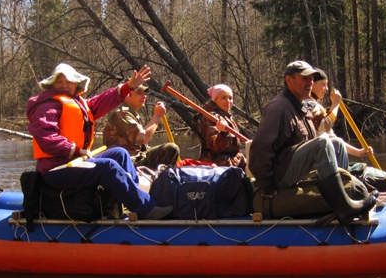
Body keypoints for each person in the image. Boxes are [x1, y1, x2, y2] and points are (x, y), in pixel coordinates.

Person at [26, 62, 173, 220]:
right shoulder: (47, 106)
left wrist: (128, 86)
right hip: (56, 170)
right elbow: (46, 137)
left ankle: (130, 201)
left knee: (120, 154)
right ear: (52, 85)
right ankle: (146, 209)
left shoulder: (78, 103)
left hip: (75, 162)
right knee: (107, 167)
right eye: (59, 82)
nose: (63, 86)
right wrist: (76, 150)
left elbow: (102, 101)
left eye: (68, 82)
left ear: (76, 84)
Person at [248, 60, 377, 225]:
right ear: (289, 80)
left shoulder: (302, 106)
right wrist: (265, 184)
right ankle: (343, 207)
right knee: (322, 143)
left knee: (335, 143)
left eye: (311, 79)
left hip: (292, 165)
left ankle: (346, 193)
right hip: (279, 174)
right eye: (304, 79)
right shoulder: (279, 108)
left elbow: (315, 134)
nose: (310, 83)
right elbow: (260, 149)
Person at [309, 68, 386, 192]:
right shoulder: (311, 105)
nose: (326, 89)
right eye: (323, 84)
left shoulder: (317, 106)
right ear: (312, 85)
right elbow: (326, 127)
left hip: (327, 159)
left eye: (327, 84)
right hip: (320, 163)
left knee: (382, 178)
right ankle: (346, 191)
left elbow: (331, 136)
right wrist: (336, 104)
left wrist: (359, 152)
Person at [102, 84, 181, 170]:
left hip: (137, 156)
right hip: (126, 162)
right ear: (127, 96)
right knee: (171, 149)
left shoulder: (131, 114)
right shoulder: (122, 115)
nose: (144, 96)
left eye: (145, 93)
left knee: (169, 150)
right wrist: (157, 115)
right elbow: (143, 139)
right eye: (139, 93)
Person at [192, 84, 247, 170]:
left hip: (233, 160)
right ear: (215, 99)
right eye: (223, 98)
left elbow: (234, 147)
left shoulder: (227, 116)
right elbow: (215, 147)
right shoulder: (210, 118)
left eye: (230, 98)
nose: (228, 101)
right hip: (216, 164)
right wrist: (223, 133)